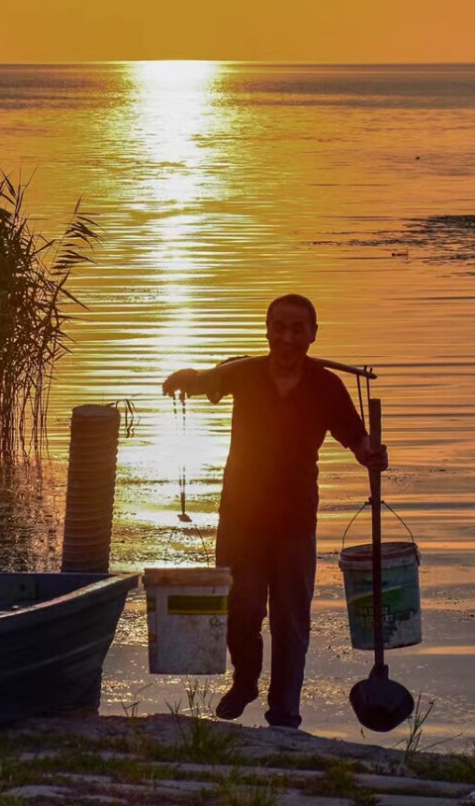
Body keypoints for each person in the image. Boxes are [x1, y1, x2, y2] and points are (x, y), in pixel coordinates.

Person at [161, 292, 387, 730]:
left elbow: (357, 439)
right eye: (278, 328)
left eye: (297, 329)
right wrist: (184, 379)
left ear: (312, 334)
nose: (286, 338)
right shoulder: (243, 374)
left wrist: (371, 454)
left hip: (295, 520)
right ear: (267, 332)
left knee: (291, 619)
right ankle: (245, 680)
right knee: (239, 608)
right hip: (240, 517)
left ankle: (284, 711)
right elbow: (207, 381)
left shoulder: (326, 386)